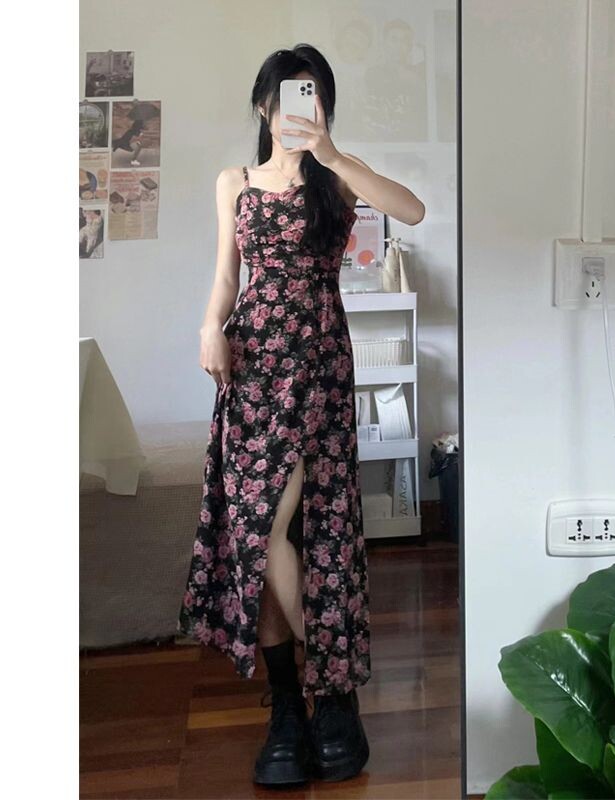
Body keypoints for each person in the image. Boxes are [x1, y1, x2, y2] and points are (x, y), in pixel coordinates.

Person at [176, 43, 425, 788]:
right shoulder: (235, 182)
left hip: (317, 361)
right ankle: (305, 694)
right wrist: (209, 326)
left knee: (301, 524)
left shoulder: (335, 179)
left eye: (311, 95)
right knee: (261, 526)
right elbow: (227, 274)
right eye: (286, 95)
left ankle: (320, 695)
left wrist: (333, 153)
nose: (295, 108)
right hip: (252, 361)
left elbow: (412, 209)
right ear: (263, 105)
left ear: (323, 106)